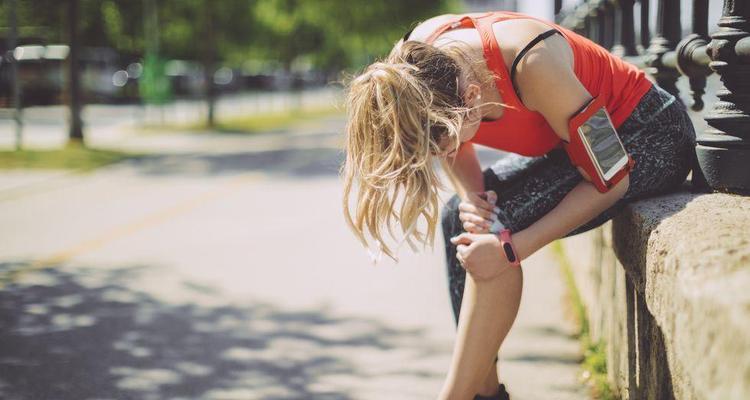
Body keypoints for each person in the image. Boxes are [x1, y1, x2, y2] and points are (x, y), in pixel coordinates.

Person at [341, 10, 695, 400]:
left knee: (499, 228)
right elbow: (453, 146)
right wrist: (475, 201)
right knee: (459, 219)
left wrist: (511, 249)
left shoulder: (534, 64)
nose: (445, 154)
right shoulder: (417, 63)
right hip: (572, 147)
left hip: (647, 136)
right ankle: (485, 393)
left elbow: (612, 180)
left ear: (472, 96)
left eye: (445, 143)